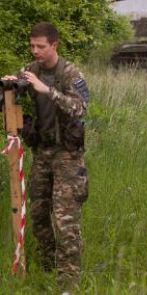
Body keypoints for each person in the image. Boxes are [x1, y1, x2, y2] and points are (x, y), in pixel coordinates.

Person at [3, 22, 89, 291]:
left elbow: (79, 108)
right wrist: (9, 84)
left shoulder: (70, 73)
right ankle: (47, 270)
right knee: (39, 215)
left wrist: (46, 90)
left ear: (54, 45)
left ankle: (68, 282)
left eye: (41, 46)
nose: (35, 51)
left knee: (65, 221)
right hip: (42, 152)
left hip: (68, 155)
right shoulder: (31, 70)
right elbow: (15, 85)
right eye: (32, 46)